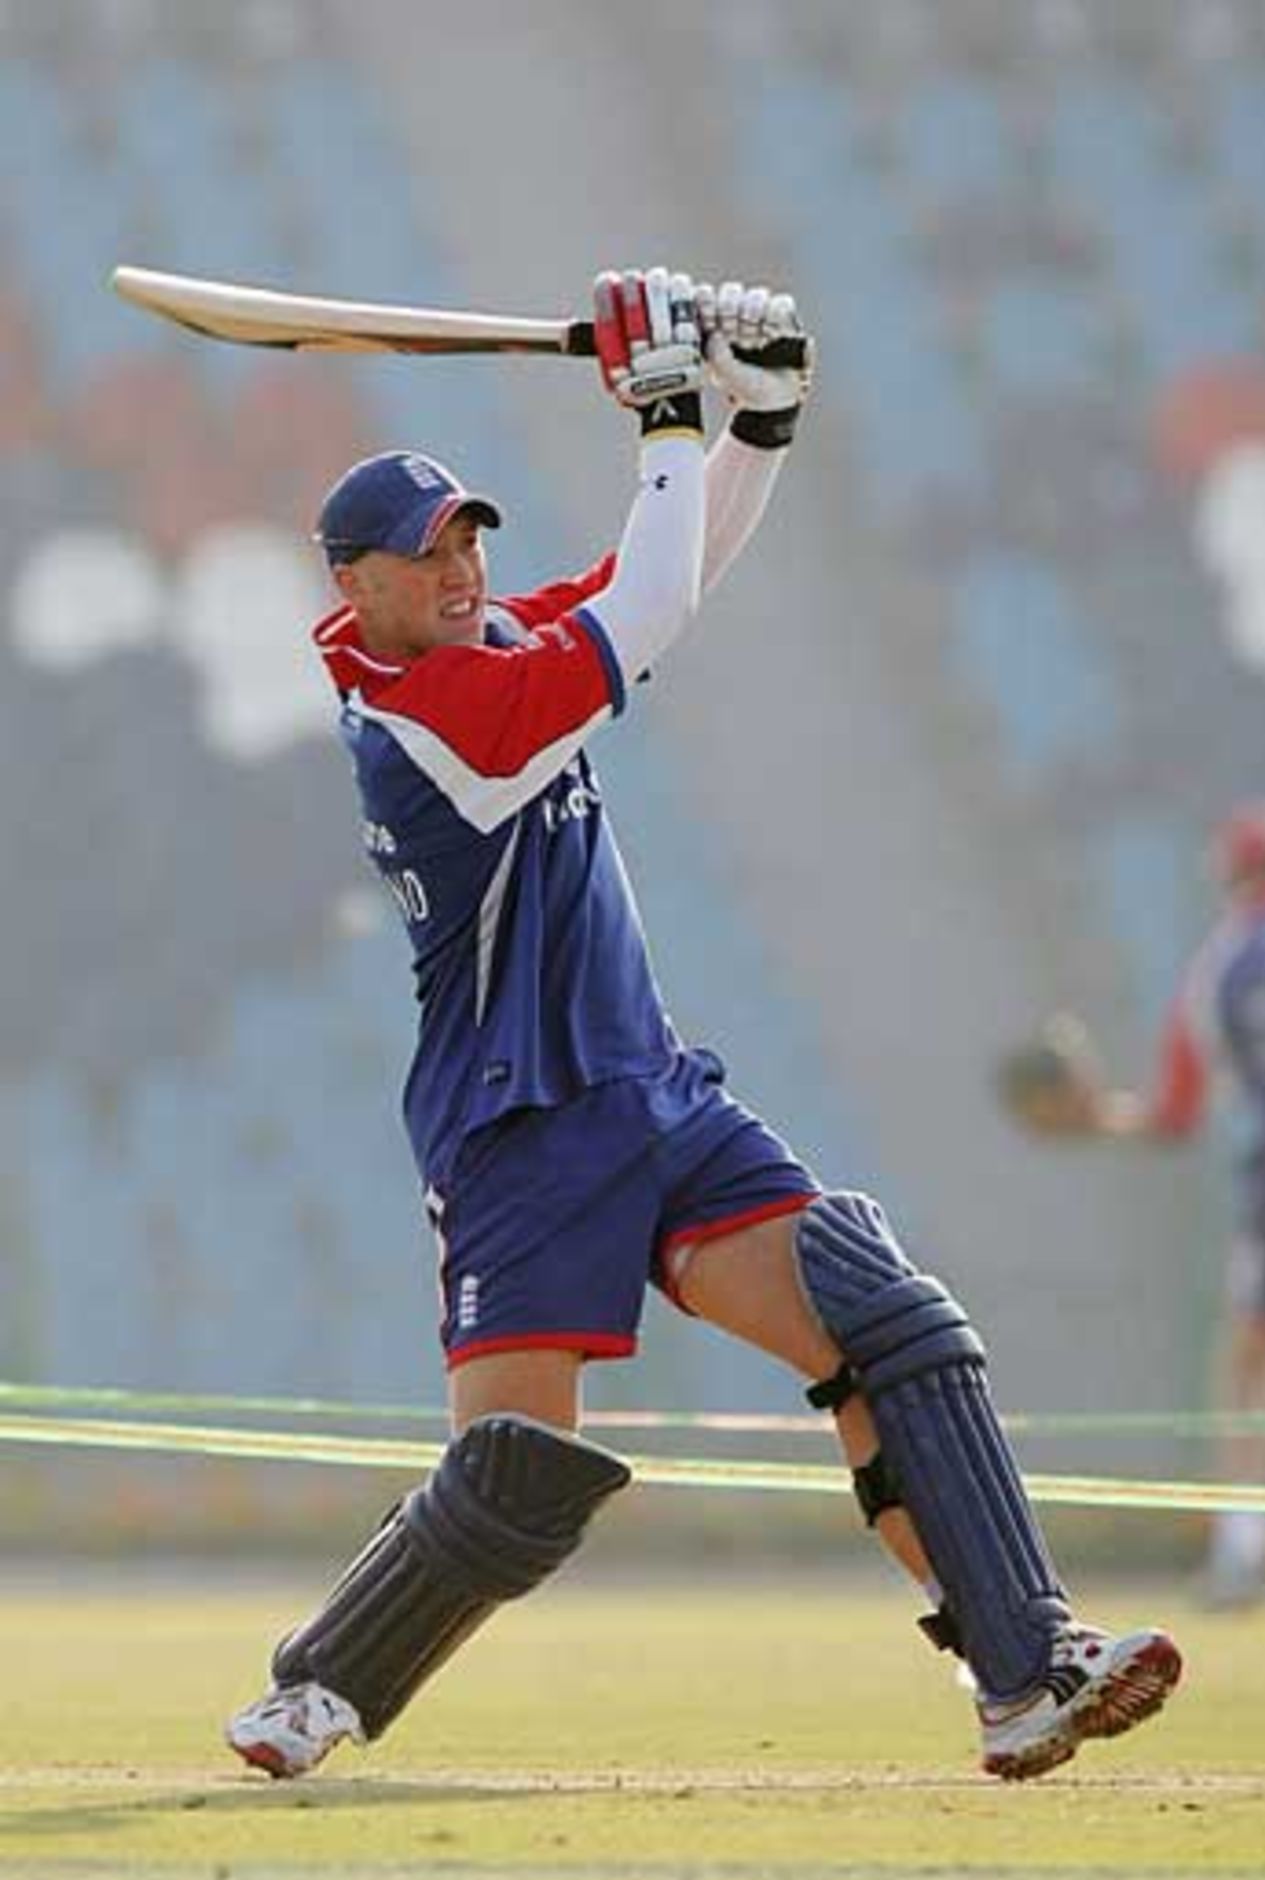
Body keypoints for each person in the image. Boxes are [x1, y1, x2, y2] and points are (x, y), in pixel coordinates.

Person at [225, 266, 1181, 1783]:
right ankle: (317, 1689)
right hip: (519, 1130)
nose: (466, 564)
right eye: (430, 551)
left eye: (473, 534)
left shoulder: (480, 654)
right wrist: (667, 412)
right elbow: (644, 614)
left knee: (893, 1327)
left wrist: (759, 419)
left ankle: (1025, 1667)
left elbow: (660, 571)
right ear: (359, 589)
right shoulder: (425, 723)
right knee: (517, 1476)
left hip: (654, 1096)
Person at [1038, 802, 1265, 1609]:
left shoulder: (1221, 967)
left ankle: (1243, 1552)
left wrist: (1092, 1116)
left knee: (1249, 1366)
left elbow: (1174, 1116)